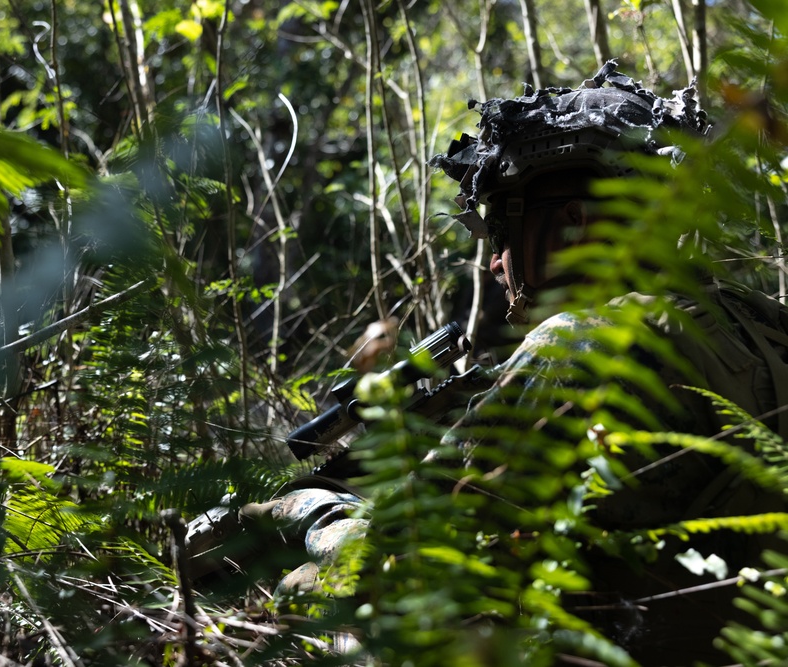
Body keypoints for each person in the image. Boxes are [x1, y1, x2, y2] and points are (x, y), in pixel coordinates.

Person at [188, 61, 788, 665]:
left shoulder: (582, 342)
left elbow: (401, 564)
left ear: (576, 223)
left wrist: (308, 512)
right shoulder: (764, 321)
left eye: (501, 227)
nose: (496, 262)